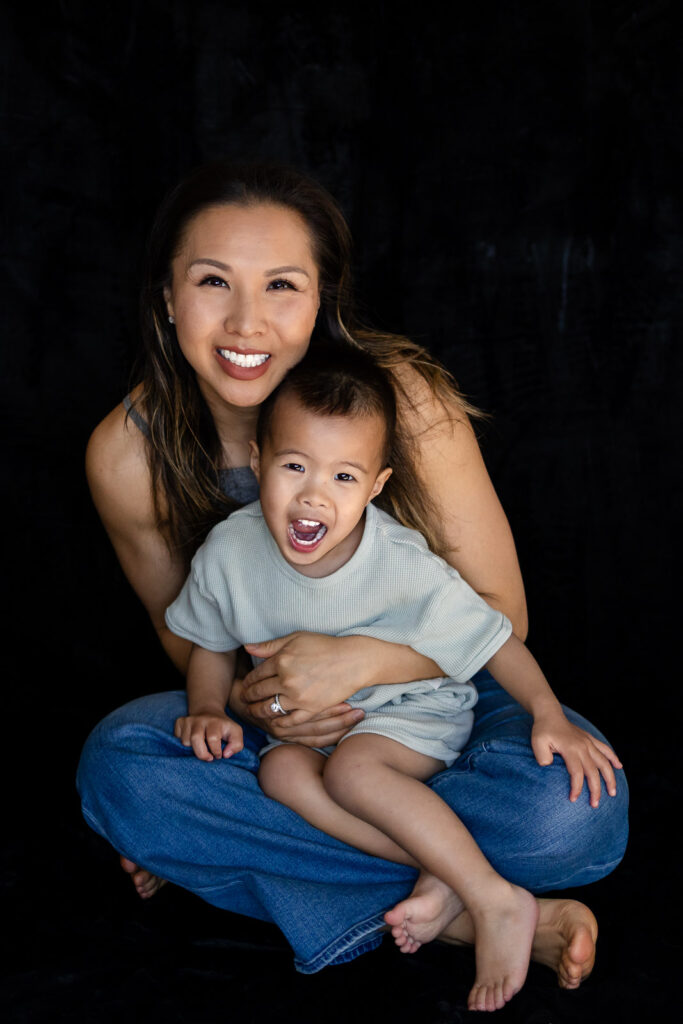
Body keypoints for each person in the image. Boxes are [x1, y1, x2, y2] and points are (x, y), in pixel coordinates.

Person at [77, 158, 628, 994]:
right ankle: (477, 907)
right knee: (122, 769)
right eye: (213, 281)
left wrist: (367, 660)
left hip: (443, 696)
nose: (246, 322)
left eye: (283, 287)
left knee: (570, 814)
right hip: (285, 724)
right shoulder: (125, 453)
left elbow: (502, 615)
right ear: (167, 296)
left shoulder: (397, 401)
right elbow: (185, 638)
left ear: (322, 299)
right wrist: (247, 706)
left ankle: (263, 864)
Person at [165, 343, 623, 1012]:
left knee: (357, 775)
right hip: (311, 731)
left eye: (344, 477)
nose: (314, 494)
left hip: (410, 714)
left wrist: (546, 712)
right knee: (277, 775)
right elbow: (209, 642)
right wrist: (209, 706)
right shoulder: (229, 553)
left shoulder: (400, 563)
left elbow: (493, 637)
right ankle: (440, 873)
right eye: (294, 465)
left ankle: (489, 897)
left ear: (376, 486)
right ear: (258, 461)